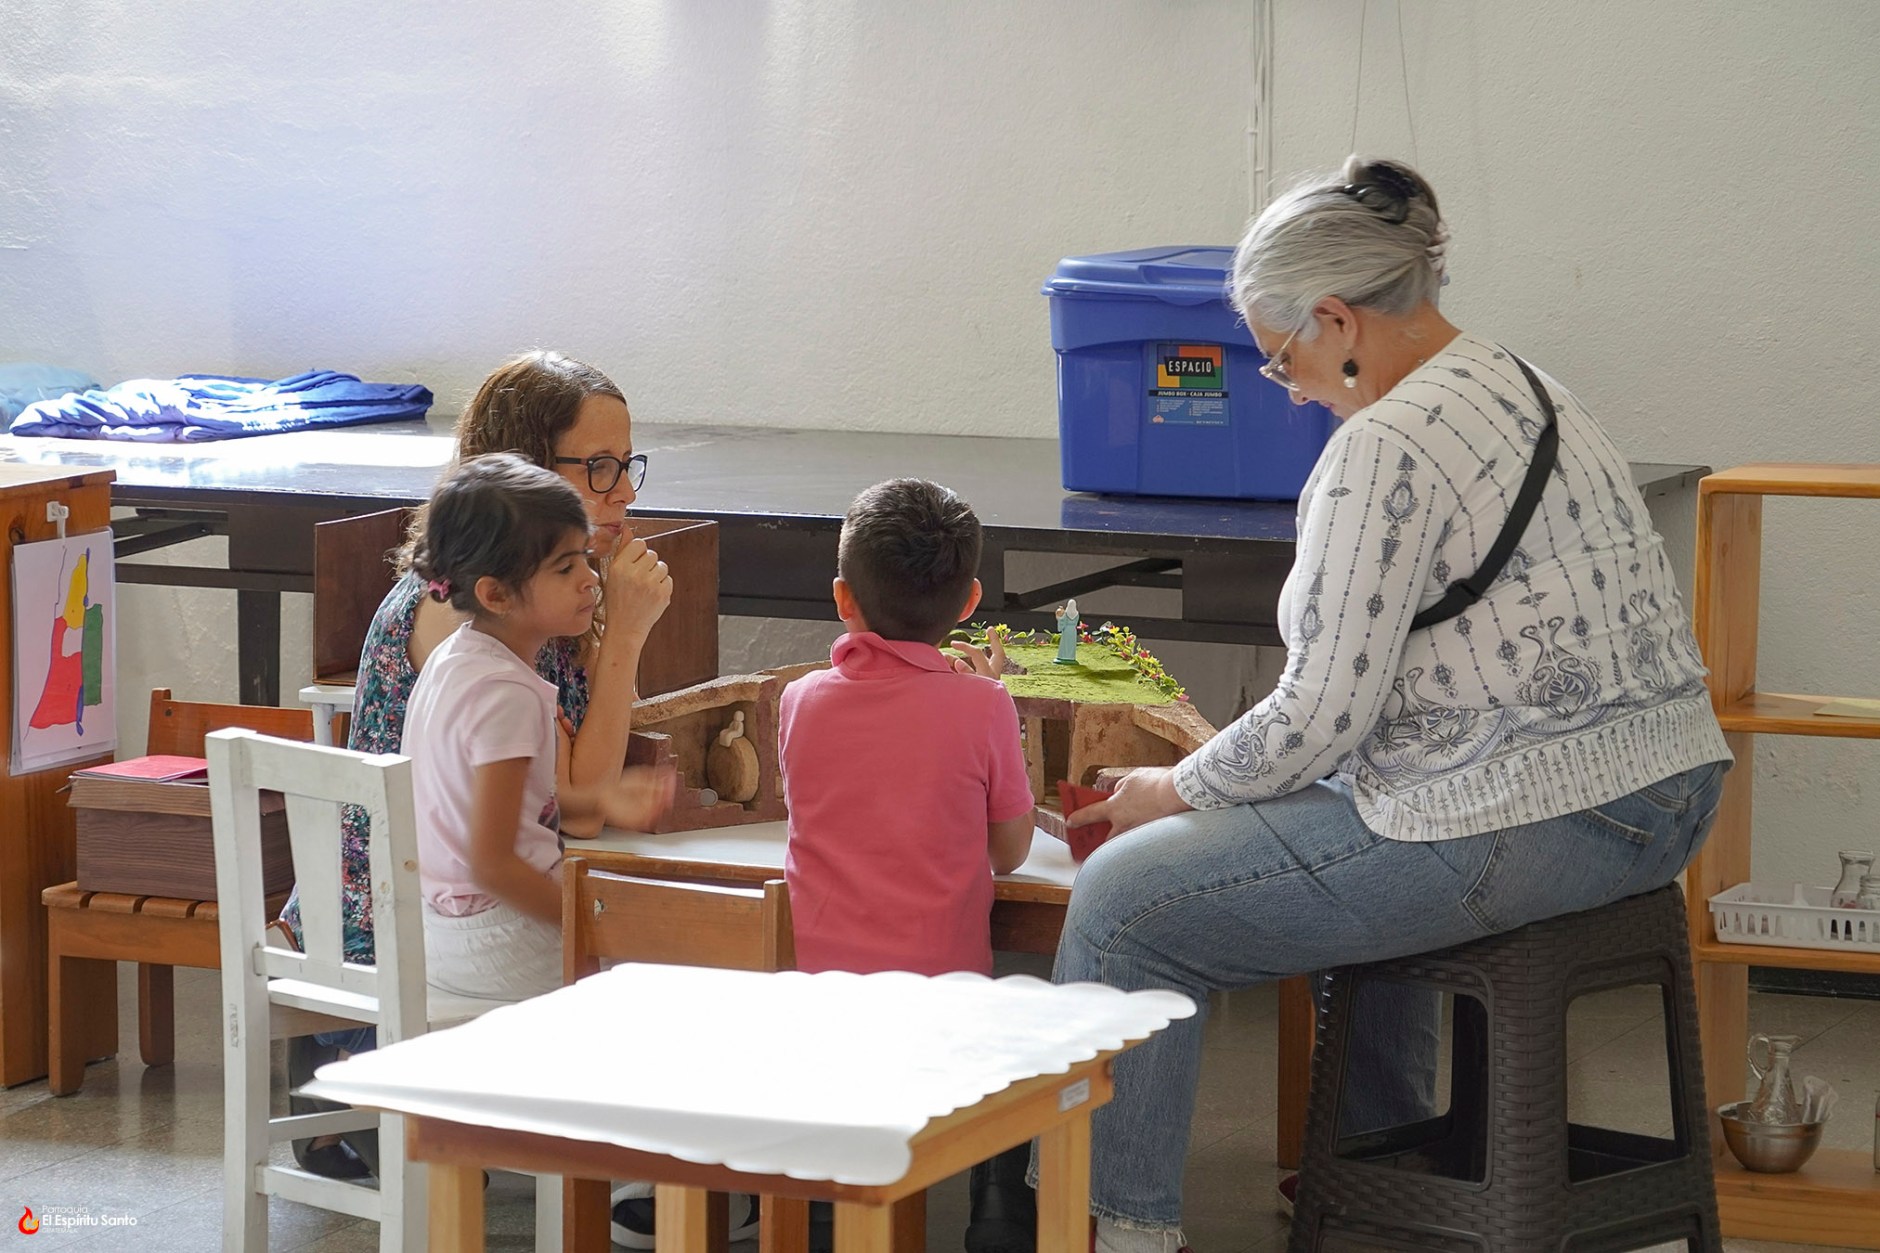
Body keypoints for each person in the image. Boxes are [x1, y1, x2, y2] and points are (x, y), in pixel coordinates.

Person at [1048, 156, 1733, 1253]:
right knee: (1355, 802)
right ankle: (1377, 1178)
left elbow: (1317, 717)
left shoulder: (1381, 445)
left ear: (1336, 318)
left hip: (1533, 815)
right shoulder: (1524, 382)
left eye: (1282, 359)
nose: (1289, 388)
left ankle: (1109, 1233)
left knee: (1125, 902)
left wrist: (1169, 787)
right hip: (1666, 795)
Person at [277, 350, 671, 1184]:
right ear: (528, 471)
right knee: (654, 966)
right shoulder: (479, 630)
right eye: (598, 467)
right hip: (395, 928)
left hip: (441, 904)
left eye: (626, 465)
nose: (623, 492)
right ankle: (646, 1180)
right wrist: (629, 634)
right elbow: (577, 813)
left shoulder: (507, 598)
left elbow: (572, 791)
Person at [778, 478, 1036, 1252]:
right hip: (944, 1009)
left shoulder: (799, 700)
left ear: (842, 598)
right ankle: (999, 1204)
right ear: (970, 601)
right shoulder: (984, 705)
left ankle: (824, 1212)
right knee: (1028, 1014)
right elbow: (1011, 850)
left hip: (822, 1011)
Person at [403, 452, 676, 993]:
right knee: (672, 963)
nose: (590, 580)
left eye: (584, 559)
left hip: (439, 934)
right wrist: (586, 923)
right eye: (565, 568)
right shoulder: (507, 695)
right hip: (499, 937)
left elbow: (500, 799)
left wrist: (599, 798)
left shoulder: (456, 660)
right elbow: (492, 863)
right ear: (496, 593)